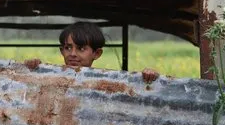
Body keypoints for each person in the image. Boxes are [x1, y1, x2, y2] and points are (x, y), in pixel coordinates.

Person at [26, 21, 160, 82]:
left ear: (97, 53)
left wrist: (149, 77)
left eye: (81, 48)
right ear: (61, 51)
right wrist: (29, 69)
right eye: (68, 48)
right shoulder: (51, 78)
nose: (72, 54)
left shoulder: (105, 83)